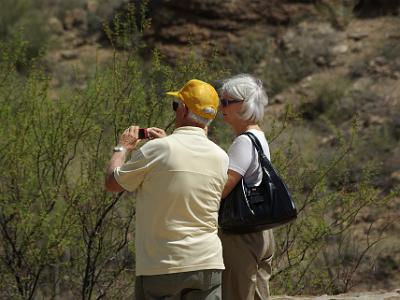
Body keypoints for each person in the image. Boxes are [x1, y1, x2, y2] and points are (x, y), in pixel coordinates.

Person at [105, 79, 229, 300]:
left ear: (183, 110)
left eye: (176, 105)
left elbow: (112, 183)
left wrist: (122, 147)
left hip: (162, 266)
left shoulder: (158, 149)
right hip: (208, 263)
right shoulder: (221, 157)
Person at [218, 74, 275, 300]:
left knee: (236, 294)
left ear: (242, 104)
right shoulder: (258, 136)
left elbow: (223, 188)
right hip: (262, 229)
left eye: (225, 102)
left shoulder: (243, 141)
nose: (221, 107)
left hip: (243, 233)